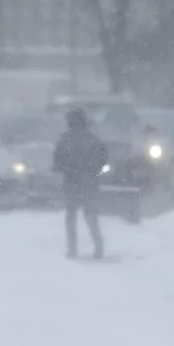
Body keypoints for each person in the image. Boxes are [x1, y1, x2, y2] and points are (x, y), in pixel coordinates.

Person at [53, 108, 108, 259]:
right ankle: (98, 246)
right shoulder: (92, 139)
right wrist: (93, 169)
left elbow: (57, 161)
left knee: (71, 216)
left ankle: (72, 249)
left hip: (71, 182)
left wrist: (65, 168)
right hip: (89, 182)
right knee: (91, 215)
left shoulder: (65, 140)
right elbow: (103, 157)